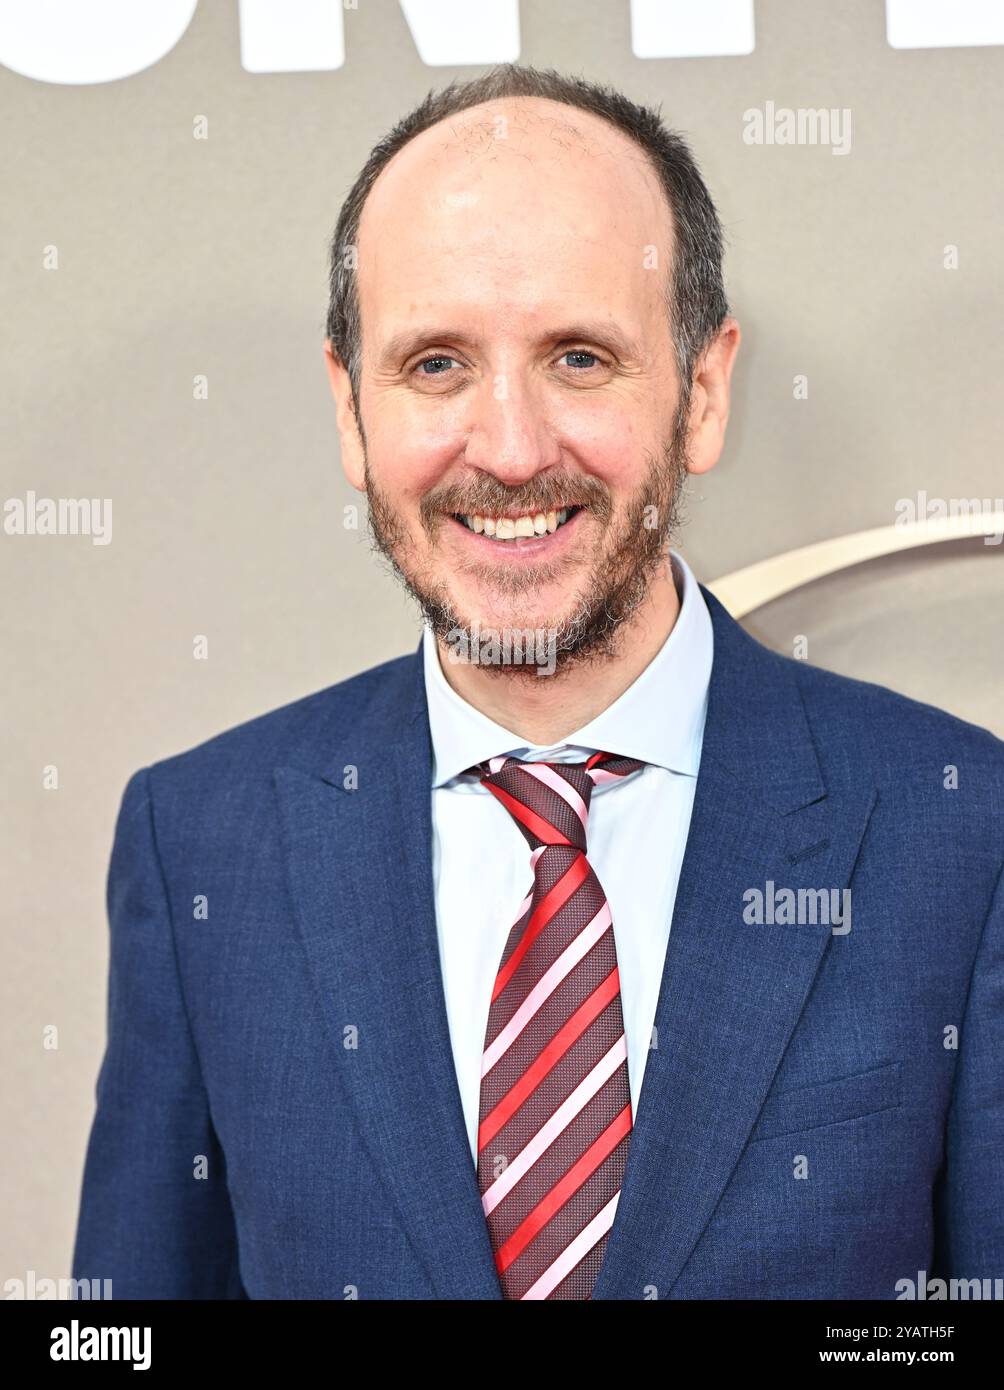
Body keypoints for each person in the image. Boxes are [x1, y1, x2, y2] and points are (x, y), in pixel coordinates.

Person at [72, 64, 1004, 1301]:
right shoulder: (201, 844)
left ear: (703, 391)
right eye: (436, 365)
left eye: (577, 357)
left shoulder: (960, 828)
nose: (508, 449)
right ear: (351, 409)